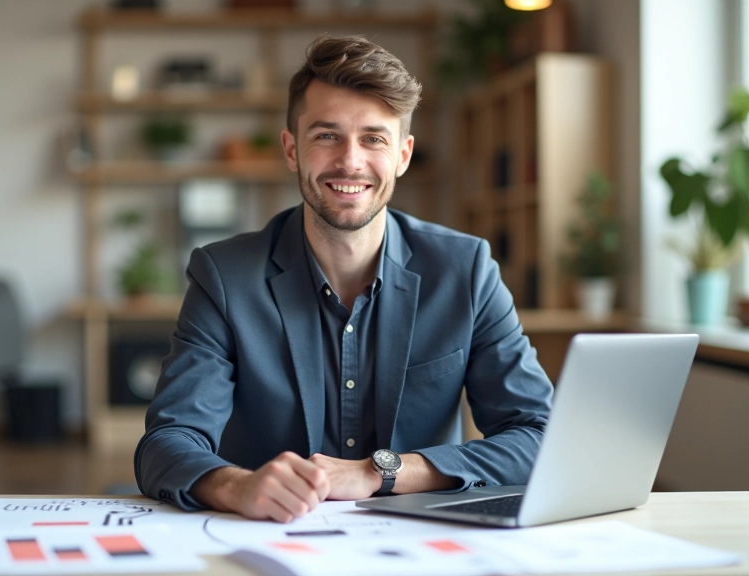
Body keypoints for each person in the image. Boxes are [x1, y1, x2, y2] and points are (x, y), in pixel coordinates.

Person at [134, 34, 553, 523]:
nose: (350, 161)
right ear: (292, 149)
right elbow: (165, 444)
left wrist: (382, 472)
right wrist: (238, 486)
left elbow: (539, 435)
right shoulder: (224, 276)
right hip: (268, 540)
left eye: (373, 138)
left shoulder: (466, 270)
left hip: (425, 547)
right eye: (326, 135)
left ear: (402, 154)